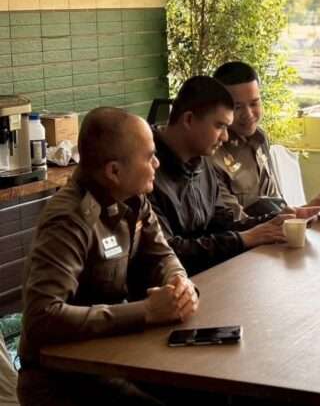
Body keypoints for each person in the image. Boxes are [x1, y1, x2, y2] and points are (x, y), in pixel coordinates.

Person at [18, 107, 199, 406]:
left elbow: (162, 254)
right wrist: (146, 311)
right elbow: (42, 317)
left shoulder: (134, 197)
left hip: (113, 356)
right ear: (114, 171)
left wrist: (178, 283)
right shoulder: (70, 220)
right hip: (62, 380)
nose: (157, 163)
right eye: (149, 157)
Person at [149, 76, 320, 276]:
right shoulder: (145, 169)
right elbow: (167, 252)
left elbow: (224, 223)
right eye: (219, 126)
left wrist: (279, 219)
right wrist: (245, 239)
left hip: (213, 276)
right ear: (188, 120)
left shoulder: (201, 161)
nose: (225, 137)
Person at [211, 61, 320, 221]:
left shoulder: (259, 138)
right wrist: (306, 211)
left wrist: (315, 209)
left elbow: (277, 211)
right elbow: (240, 224)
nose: (248, 114)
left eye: (254, 103)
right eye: (237, 107)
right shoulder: (212, 155)